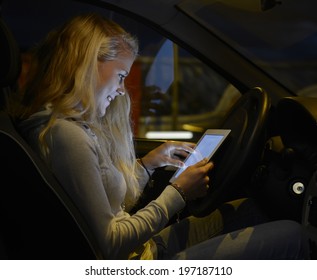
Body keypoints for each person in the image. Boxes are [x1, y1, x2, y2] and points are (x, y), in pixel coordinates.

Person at [8, 13, 309, 260]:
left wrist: (149, 164)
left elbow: (111, 202)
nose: (122, 90)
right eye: (121, 76)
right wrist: (177, 192)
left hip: (143, 252)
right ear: (88, 65)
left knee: (251, 210)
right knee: (293, 236)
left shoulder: (71, 127)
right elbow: (110, 244)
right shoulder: (66, 136)